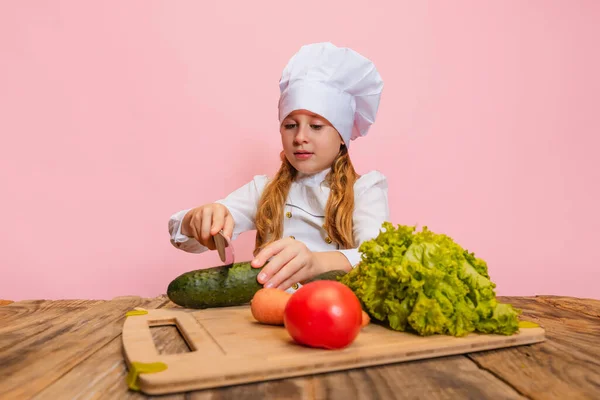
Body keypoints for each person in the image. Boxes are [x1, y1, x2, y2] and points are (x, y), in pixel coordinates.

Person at [168, 42, 389, 293]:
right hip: (267, 316)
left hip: (329, 314)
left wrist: (316, 262)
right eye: (290, 125)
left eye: (316, 126)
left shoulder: (365, 190)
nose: (300, 137)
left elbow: (377, 257)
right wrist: (196, 220)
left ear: (342, 136)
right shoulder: (265, 190)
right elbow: (183, 236)